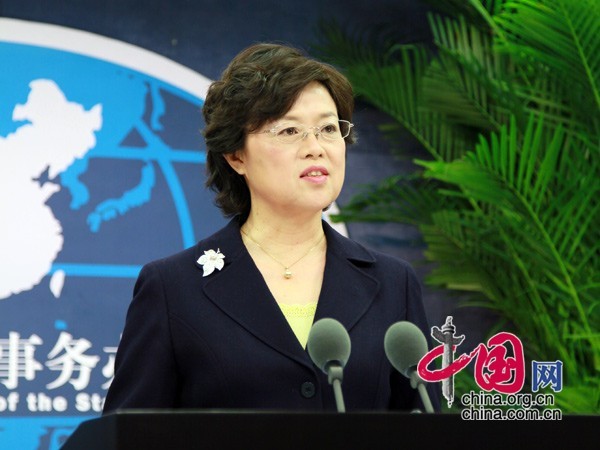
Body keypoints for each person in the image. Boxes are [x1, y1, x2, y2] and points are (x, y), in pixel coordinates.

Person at [103, 43, 438, 413]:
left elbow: (425, 424)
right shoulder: (174, 288)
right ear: (236, 155)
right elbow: (128, 433)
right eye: (290, 130)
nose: (315, 147)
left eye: (328, 128)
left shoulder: (393, 283)